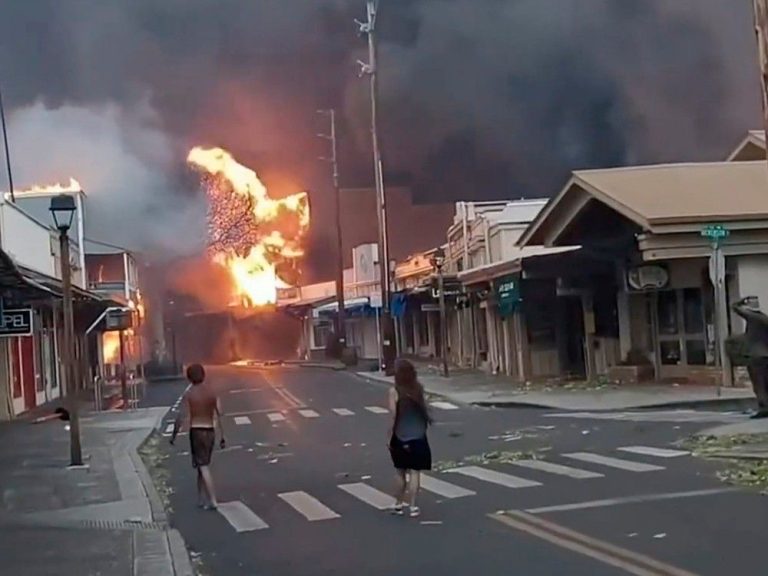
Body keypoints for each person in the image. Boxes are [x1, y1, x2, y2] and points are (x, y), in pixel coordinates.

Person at [171, 364, 226, 509]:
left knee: (202, 465)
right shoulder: (212, 392)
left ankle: (213, 500)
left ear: (189, 377)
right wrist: (222, 436)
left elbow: (181, 417)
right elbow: (220, 413)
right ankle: (201, 498)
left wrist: (173, 436)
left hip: (197, 431)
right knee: (201, 464)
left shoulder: (189, 394)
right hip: (210, 431)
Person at [388, 358, 432, 517]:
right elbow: (424, 409)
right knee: (415, 472)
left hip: (400, 435)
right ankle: (413, 506)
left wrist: (389, 435)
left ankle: (398, 504)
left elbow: (393, 415)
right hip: (419, 435)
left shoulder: (394, 391)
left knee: (400, 472)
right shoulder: (418, 388)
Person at [732, 296, 768, 419]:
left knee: (758, 383)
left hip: (755, 356)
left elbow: (734, 308)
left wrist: (741, 301)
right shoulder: (764, 318)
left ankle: (764, 408)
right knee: (766, 383)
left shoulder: (752, 317)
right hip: (765, 355)